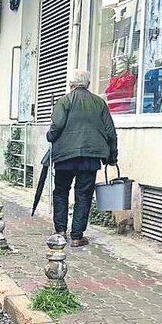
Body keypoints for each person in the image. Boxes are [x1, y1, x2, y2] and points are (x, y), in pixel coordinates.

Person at [46, 69, 118, 248]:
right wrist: (112, 156)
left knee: (61, 191)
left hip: (65, 156)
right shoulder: (99, 103)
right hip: (90, 157)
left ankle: (60, 232)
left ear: (70, 84)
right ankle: (77, 236)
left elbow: (56, 126)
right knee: (84, 194)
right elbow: (110, 132)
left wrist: (49, 136)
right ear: (88, 84)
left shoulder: (64, 101)